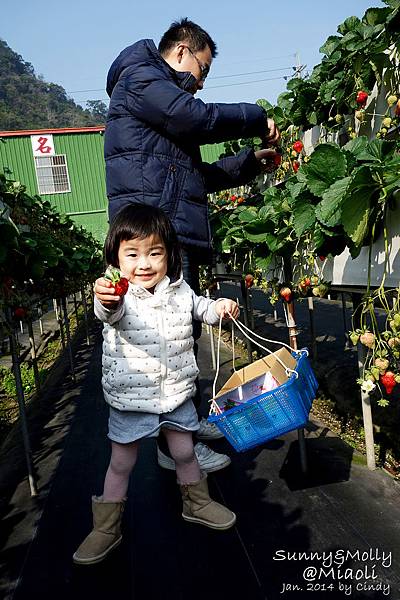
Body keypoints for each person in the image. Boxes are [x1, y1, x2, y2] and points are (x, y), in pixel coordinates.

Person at [104, 17, 280, 472]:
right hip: (150, 242)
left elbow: (193, 178)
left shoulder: (161, 106)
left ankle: (185, 421)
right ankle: (172, 451)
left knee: (182, 338)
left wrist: (248, 164)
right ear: (182, 52)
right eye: (201, 72)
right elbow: (196, 117)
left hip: (171, 236)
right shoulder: (142, 79)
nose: (199, 86)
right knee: (164, 342)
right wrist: (257, 116)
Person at [73, 204, 240, 565]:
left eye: (154, 253)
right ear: (116, 258)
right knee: (121, 463)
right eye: (132, 254)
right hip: (131, 398)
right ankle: (106, 526)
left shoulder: (180, 291)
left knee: (184, 452)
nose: (144, 264)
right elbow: (108, 312)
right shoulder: (118, 295)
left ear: (169, 255)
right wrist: (105, 295)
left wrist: (221, 306)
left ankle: (197, 503)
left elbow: (201, 309)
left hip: (177, 393)